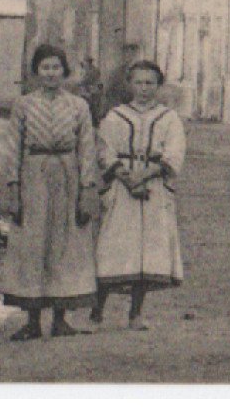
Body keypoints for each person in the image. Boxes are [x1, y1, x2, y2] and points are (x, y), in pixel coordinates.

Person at [2, 44, 100, 340]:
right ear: (35, 72)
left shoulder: (78, 106)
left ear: (65, 71)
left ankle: (60, 319)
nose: (51, 73)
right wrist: (14, 189)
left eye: (56, 67)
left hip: (68, 173)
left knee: (65, 243)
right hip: (34, 175)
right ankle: (32, 321)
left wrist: (86, 189)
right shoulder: (23, 105)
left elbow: (87, 149)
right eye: (45, 67)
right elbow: (12, 149)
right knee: (33, 244)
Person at [90, 60, 185, 330]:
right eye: (139, 82)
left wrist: (144, 175)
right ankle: (96, 314)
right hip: (122, 186)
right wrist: (128, 178)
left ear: (158, 86)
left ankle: (136, 314)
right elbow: (104, 152)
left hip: (153, 188)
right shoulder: (115, 116)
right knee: (112, 248)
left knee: (147, 251)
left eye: (150, 83)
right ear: (130, 84)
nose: (144, 88)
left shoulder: (169, 118)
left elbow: (174, 154)